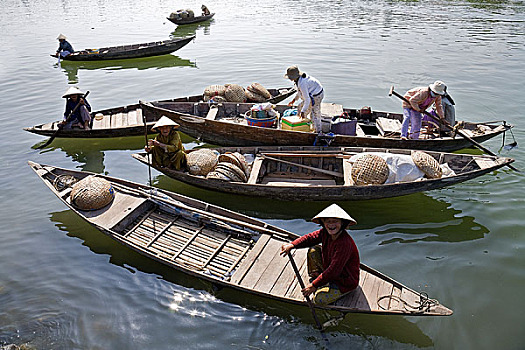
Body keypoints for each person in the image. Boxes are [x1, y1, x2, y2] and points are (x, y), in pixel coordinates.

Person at [279, 204, 360, 305]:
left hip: (344, 282)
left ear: (342, 223)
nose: (331, 224)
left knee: (319, 300)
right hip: (331, 271)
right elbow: (310, 238)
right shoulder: (325, 233)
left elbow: (333, 271)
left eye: (335, 221)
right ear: (323, 223)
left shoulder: (344, 243)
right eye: (328, 221)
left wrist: (314, 285)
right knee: (314, 250)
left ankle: (322, 283)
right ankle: (320, 280)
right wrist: (292, 245)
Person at [285, 65, 325, 134]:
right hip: (310, 95)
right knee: (300, 107)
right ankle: (300, 127)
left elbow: (307, 100)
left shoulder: (303, 83)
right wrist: (294, 100)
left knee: (315, 114)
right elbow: (299, 91)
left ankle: (317, 132)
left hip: (317, 95)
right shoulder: (298, 80)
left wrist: (303, 111)